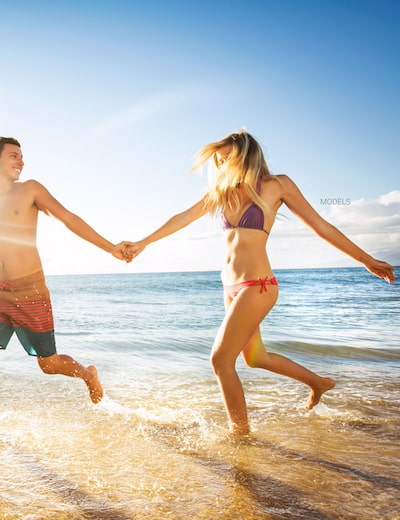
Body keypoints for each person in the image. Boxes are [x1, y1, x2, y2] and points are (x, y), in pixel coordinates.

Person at [125, 130, 395, 436]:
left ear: (244, 152)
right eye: (219, 158)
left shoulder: (276, 185)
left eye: (226, 156)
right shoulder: (222, 191)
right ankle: (319, 383)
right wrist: (143, 242)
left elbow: (321, 226)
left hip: (259, 284)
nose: (222, 162)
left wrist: (366, 260)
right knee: (255, 358)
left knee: (220, 360)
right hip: (230, 288)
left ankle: (241, 436)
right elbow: (182, 218)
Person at [0, 136, 130, 433]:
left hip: (31, 291)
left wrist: (110, 247)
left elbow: (68, 218)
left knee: (49, 364)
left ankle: (88, 375)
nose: (21, 161)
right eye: (14, 156)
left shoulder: (30, 190)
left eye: (22, 156)